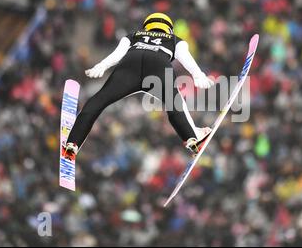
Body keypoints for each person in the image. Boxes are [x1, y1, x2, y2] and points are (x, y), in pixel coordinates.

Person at [62, 13, 214, 160]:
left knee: (98, 100)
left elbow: (118, 54)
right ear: (169, 28)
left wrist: (101, 66)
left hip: (130, 65)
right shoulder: (175, 39)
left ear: (146, 27)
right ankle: (192, 140)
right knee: (174, 104)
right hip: (158, 64)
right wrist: (198, 75)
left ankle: (72, 144)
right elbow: (185, 57)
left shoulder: (134, 35)